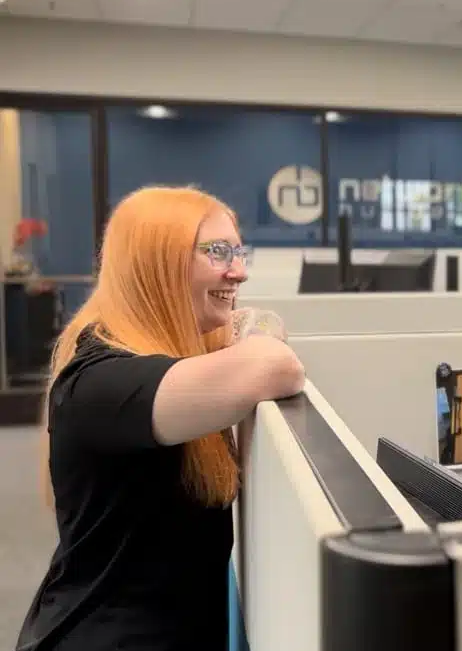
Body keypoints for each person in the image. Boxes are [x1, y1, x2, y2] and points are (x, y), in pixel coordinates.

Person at [16, 186, 306, 651]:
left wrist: (254, 328)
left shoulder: (163, 354)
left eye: (238, 250)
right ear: (158, 262)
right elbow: (276, 364)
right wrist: (257, 334)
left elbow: (264, 327)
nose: (240, 270)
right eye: (218, 252)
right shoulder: (103, 380)